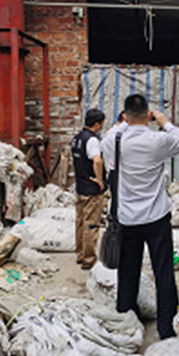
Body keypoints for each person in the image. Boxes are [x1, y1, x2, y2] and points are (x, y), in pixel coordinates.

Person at [101, 94, 179, 339]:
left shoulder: (115, 140)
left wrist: (122, 124)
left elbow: (107, 138)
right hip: (156, 216)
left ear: (126, 116)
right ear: (148, 115)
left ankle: (127, 324)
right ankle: (166, 327)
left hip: (127, 218)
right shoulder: (158, 140)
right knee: (163, 270)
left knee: (128, 271)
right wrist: (163, 121)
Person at [71, 109, 106, 270]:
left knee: (80, 222)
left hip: (80, 185)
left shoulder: (77, 138)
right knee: (91, 224)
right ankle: (89, 259)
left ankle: (80, 254)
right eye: (102, 123)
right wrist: (100, 179)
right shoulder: (92, 140)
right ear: (97, 123)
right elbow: (97, 160)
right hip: (91, 188)